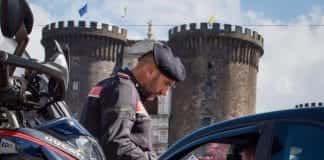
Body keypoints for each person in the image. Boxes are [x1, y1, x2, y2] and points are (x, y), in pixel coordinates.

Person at [79, 40, 186, 160]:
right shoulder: (124, 89)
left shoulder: (113, 84)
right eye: (166, 83)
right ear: (150, 71)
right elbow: (115, 146)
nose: (165, 92)